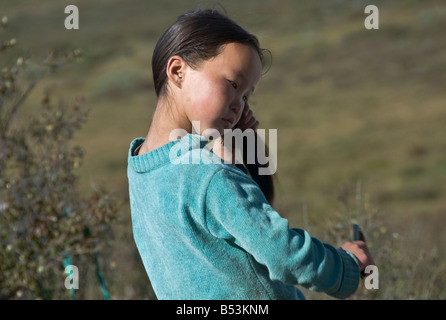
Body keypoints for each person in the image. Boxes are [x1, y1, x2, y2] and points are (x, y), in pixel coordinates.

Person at [127, 9, 374, 300]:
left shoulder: (141, 167)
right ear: (178, 71)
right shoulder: (208, 174)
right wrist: (345, 265)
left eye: (246, 95)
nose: (239, 106)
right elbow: (282, 254)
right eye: (232, 84)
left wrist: (230, 151)